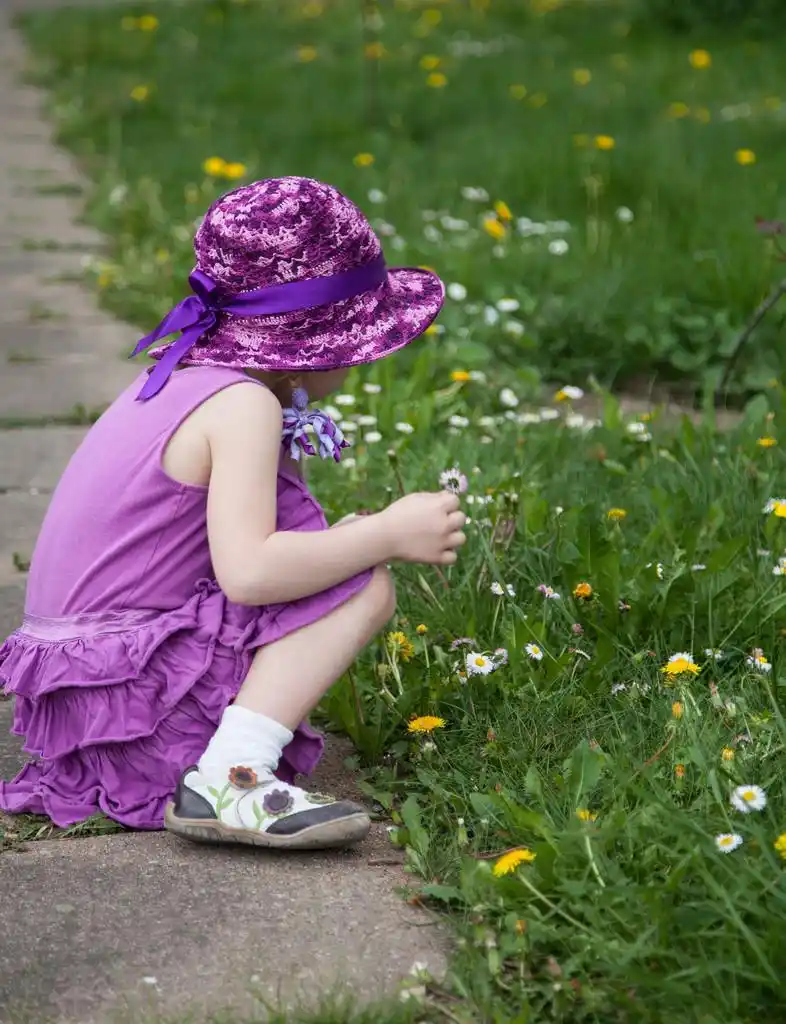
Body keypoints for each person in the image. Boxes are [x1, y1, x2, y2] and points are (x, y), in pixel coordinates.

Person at [0, 177, 466, 850]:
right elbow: (248, 574)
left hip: (84, 704)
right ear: (323, 342)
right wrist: (384, 535)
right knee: (362, 580)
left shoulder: (180, 372)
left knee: (337, 559)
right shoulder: (246, 405)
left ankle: (223, 767)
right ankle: (228, 777)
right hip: (130, 711)